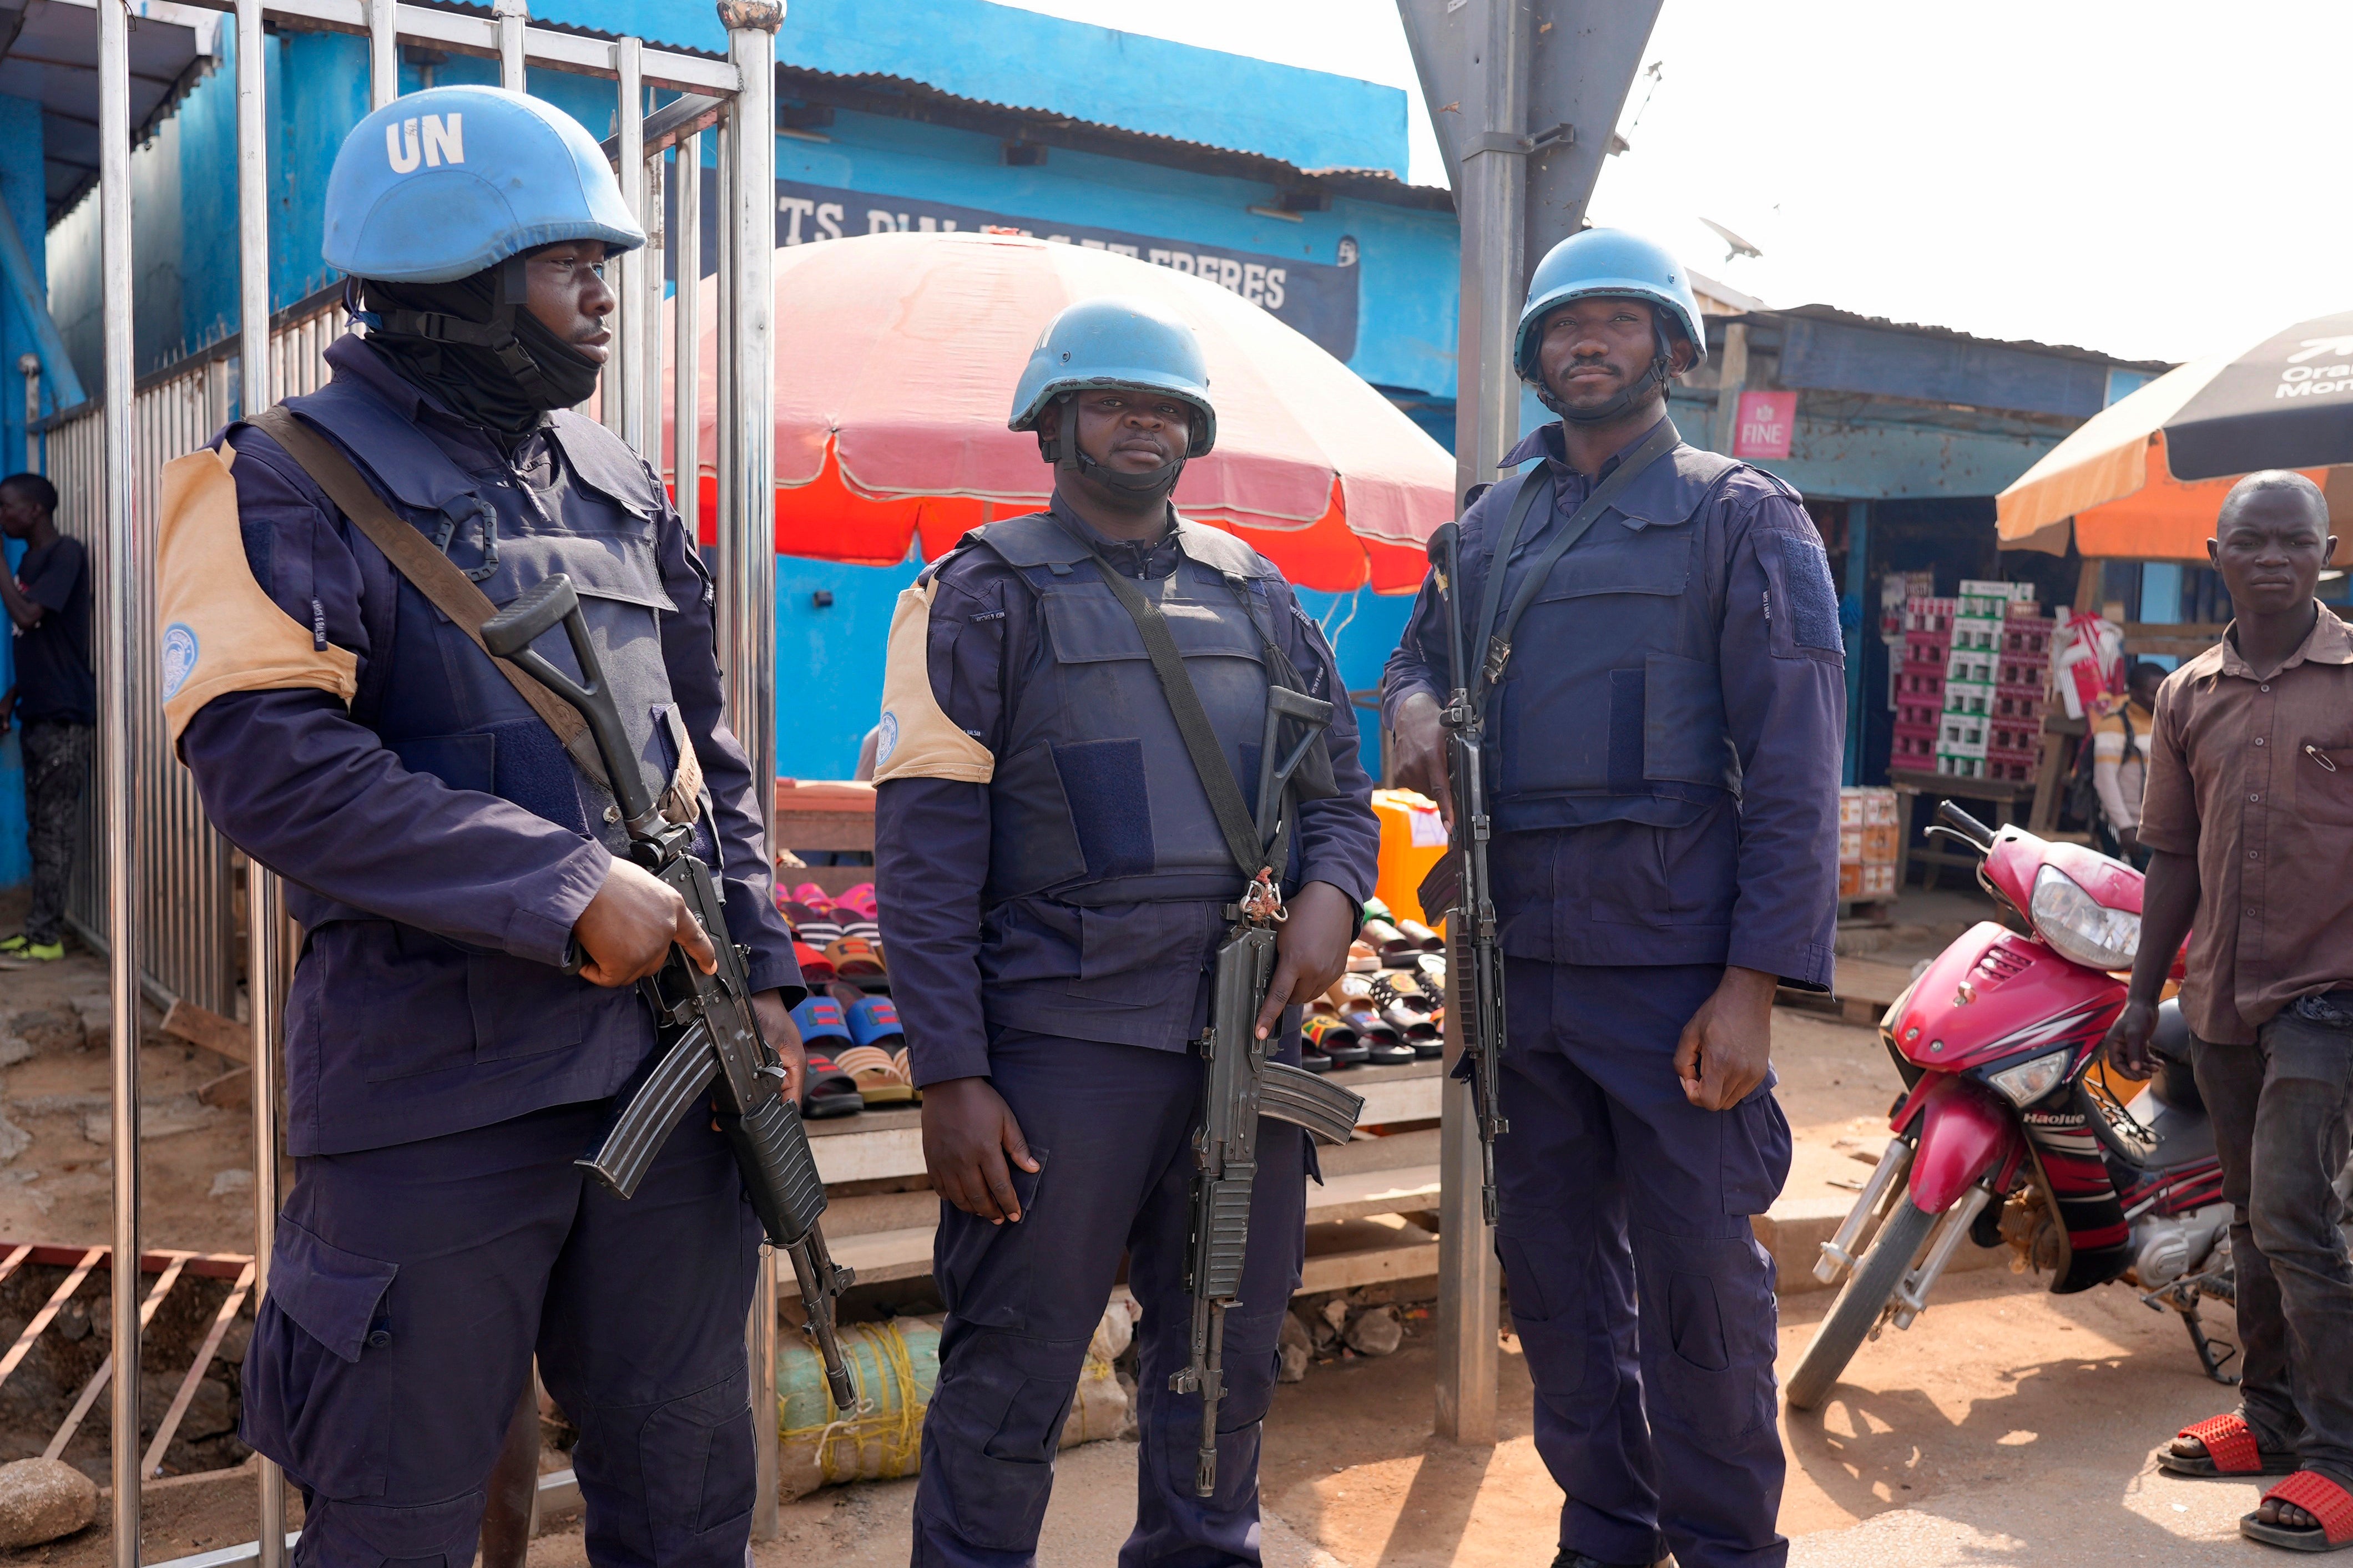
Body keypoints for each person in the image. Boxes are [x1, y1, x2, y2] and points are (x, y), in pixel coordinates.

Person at [158, 87, 802, 1568]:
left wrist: (764, 972)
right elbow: (271, 767)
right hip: (430, 1101)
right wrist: (563, 884)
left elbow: (705, 759)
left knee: (689, 1494)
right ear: (451, 271)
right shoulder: (278, 477)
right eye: (566, 262)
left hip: (667, 1074)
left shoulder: (624, 489)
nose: (601, 298)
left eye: (606, 265)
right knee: (400, 1515)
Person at [872, 296, 1379, 1566]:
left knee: (1222, 1368)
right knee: (1009, 1381)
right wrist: (950, 1072)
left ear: (1193, 430)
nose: (1141, 422)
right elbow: (922, 864)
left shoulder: (1255, 592)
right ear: (1050, 422)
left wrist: (1331, 895)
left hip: (1241, 1048)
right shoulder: (973, 595)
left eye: (1164, 405)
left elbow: (1336, 796)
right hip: (1060, 1051)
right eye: (1111, 400)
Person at [1382, 228, 1845, 1568]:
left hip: (1675, 986)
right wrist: (1410, 703)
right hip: (1519, 975)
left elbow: (1797, 769)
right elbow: (1409, 660)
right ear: (1535, 354)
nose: (1587, 341)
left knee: (1700, 1294)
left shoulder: (1739, 515)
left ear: (1667, 349)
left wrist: (1752, 985)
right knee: (1558, 1292)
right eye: (1564, 325)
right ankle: (1604, 1534)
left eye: (1617, 321)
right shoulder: (1486, 521)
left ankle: (1721, 1547)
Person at [2107, 471, 2353, 1554]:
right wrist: (2136, 990)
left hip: (2328, 994)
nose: (2269, 558)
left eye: (2289, 542)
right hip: (2217, 999)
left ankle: (2340, 1458)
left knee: (2297, 1222)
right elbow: (2167, 856)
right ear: (2213, 553)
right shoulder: (2186, 695)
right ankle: (2268, 1420)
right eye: (2246, 541)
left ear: (2324, 551)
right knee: (2252, 1222)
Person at [0, 473, 92, 964]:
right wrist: (11, 697)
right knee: (40, 828)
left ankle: (47, 937)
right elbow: (36, 644)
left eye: (5, 506)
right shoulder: (30, 561)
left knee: (53, 830)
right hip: (36, 711)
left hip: (64, 715)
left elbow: (31, 617)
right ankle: (39, 930)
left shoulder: (65, 554)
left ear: (34, 510)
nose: (2, 515)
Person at [2091, 660, 2167, 865]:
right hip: (2131, 831)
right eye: (2154, 693)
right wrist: (2124, 827)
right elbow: (2105, 781)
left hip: (2160, 830)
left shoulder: (2166, 724)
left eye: (2165, 692)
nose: (2161, 699)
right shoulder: (2114, 725)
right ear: (2133, 692)